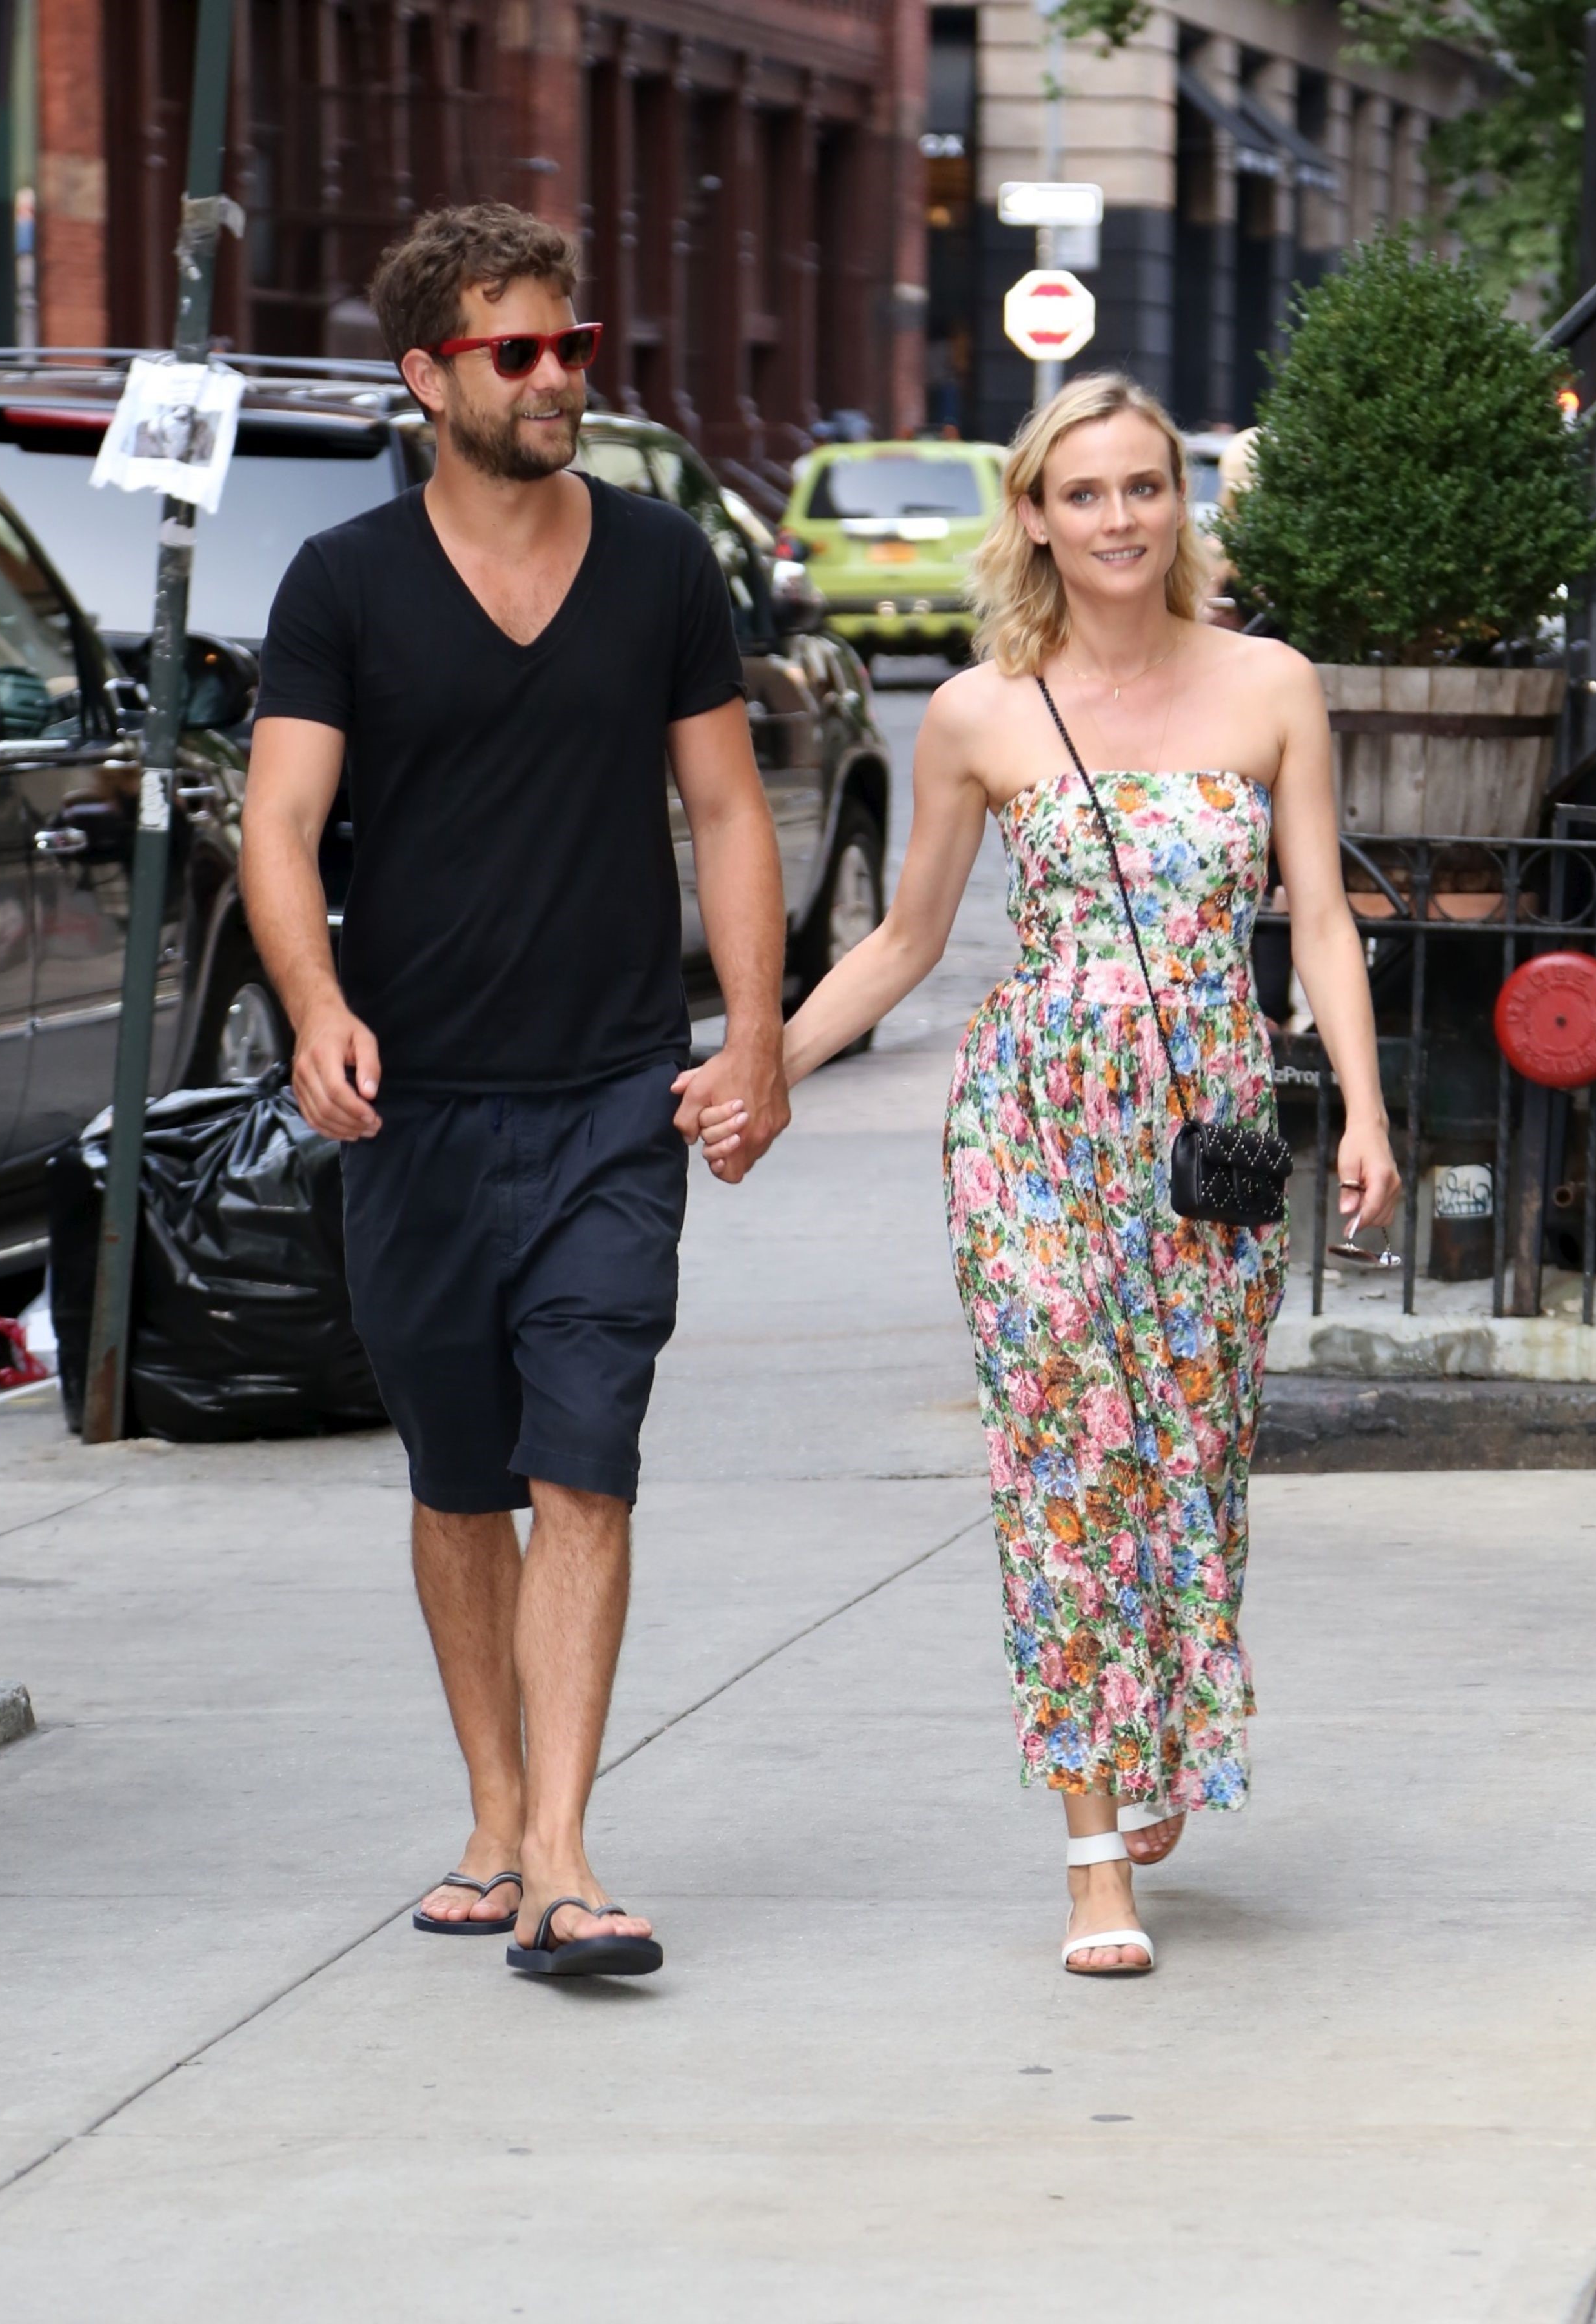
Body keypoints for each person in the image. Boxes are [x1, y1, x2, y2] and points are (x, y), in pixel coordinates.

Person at [684, 372, 1397, 1977]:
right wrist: (761, 1067)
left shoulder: (1272, 686)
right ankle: (1092, 1859)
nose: (1121, 518)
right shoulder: (980, 712)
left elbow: (1324, 922)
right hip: (1028, 1127)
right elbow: (903, 940)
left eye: (1146, 488)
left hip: (1206, 1129)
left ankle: (1164, 1726)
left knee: (1188, 1466)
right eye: (1086, 494)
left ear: (1179, 505)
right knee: (1063, 1466)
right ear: (1035, 516)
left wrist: (1361, 1106)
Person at [241, 203, 789, 1977]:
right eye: (517, 353)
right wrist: (313, 1004)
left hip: (612, 1099)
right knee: (459, 1476)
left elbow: (724, 813)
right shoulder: (343, 582)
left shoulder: (654, 567)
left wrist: (758, 1036)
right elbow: (277, 822)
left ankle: (560, 1850)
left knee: (586, 1461)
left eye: (569, 345)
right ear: (427, 379)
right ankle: (492, 1807)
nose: (559, 376)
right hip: (415, 1109)